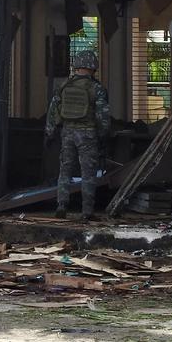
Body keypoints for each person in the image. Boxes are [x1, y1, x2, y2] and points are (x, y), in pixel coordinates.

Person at [45, 50, 111, 221]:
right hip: (87, 134)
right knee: (88, 173)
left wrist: (50, 132)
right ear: (92, 67)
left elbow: (52, 111)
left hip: (67, 132)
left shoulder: (64, 86)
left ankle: (61, 205)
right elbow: (102, 115)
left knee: (65, 170)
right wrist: (103, 134)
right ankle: (87, 211)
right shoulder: (96, 88)